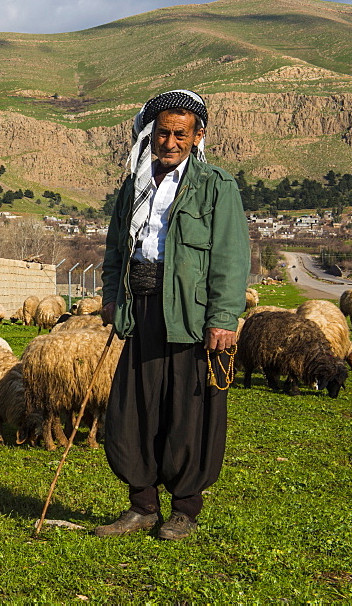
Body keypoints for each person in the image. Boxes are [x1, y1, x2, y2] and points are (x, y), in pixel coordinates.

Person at [96, 89, 250, 541]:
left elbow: (230, 255)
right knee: (133, 409)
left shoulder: (216, 186)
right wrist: (111, 295)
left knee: (188, 411)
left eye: (180, 133)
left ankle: (184, 509)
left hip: (190, 315)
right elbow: (114, 248)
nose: (170, 142)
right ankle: (141, 506)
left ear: (197, 135)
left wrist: (223, 317)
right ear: (151, 134)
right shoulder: (134, 185)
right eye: (162, 132)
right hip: (140, 310)